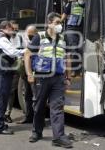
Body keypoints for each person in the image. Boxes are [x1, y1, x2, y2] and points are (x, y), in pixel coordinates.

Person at [25, 12, 73, 148]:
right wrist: (29, 73)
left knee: (57, 106)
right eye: (57, 23)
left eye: (60, 23)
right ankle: (36, 132)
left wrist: (68, 77)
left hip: (58, 78)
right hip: (42, 77)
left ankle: (58, 137)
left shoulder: (64, 39)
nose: (60, 26)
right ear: (49, 23)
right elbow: (27, 55)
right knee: (39, 106)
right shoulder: (38, 37)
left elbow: (67, 58)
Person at [0, 21, 25, 135]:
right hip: (3, 73)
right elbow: (13, 52)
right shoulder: (2, 38)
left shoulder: (2, 37)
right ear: (5, 28)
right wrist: (27, 50)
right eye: (11, 28)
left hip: (2, 72)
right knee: (2, 99)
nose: (13, 31)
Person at [61, 0, 85, 77]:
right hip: (71, 29)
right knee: (74, 49)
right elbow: (64, 16)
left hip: (82, 30)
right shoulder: (71, 4)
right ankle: (75, 70)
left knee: (81, 49)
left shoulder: (88, 4)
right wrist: (57, 23)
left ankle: (79, 69)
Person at [17, 25, 38, 124]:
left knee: (35, 96)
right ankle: (29, 117)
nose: (29, 36)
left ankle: (36, 119)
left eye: (31, 35)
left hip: (33, 72)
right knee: (28, 95)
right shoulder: (29, 39)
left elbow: (27, 52)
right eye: (28, 35)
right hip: (27, 71)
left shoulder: (37, 38)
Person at [4, 20, 25, 123]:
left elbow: (26, 48)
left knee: (13, 91)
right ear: (9, 28)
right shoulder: (3, 38)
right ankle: (3, 113)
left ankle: (7, 113)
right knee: (6, 91)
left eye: (17, 29)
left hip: (16, 68)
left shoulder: (20, 38)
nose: (15, 31)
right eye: (13, 29)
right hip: (6, 68)